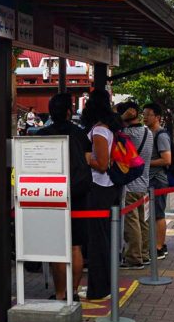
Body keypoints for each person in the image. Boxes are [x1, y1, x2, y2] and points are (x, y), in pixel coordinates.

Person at [37, 92, 89, 301]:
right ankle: (73, 292)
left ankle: (59, 294)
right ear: (69, 111)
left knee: (56, 245)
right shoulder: (80, 134)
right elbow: (88, 161)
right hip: (77, 193)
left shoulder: (42, 134)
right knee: (75, 245)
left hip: (51, 193)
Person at [81, 89, 121, 300]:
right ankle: (104, 284)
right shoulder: (108, 127)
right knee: (103, 237)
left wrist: (85, 158)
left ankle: (98, 288)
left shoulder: (98, 131)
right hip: (108, 188)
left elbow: (102, 165)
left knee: (97, 240)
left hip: (99, 186)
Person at [116, 101, 152, 270]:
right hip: (144, 183)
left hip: (130, 185)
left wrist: (120, 118)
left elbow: (112, 126)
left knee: (132, 223)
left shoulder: (126, 134)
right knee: (143, 221)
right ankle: (144, 254)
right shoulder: (148, 132)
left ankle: (133, 258)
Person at [142, 103, 172, 260]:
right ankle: (158, 244)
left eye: (148, 114)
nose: (145, 117)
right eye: (144, 114)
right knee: (152, 214)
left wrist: (145, 162)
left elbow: (167, 160)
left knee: (158, 214)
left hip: (158, 180)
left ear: (157, 117)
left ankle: (160, 247)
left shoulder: (161, 135)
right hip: (150, 180)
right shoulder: (148, 133)